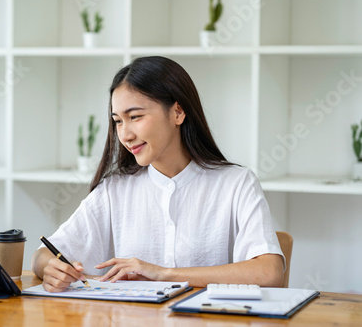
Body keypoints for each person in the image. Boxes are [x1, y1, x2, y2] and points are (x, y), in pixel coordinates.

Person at [31, 56, 285, 293]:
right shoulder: (114, 189)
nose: (125, 134)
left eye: (135, 117)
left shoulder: (236, 184)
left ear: (177, 112)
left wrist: (163, 274)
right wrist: (50, 269)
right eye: (118, 121)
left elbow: (269, 272)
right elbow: (43, 255)